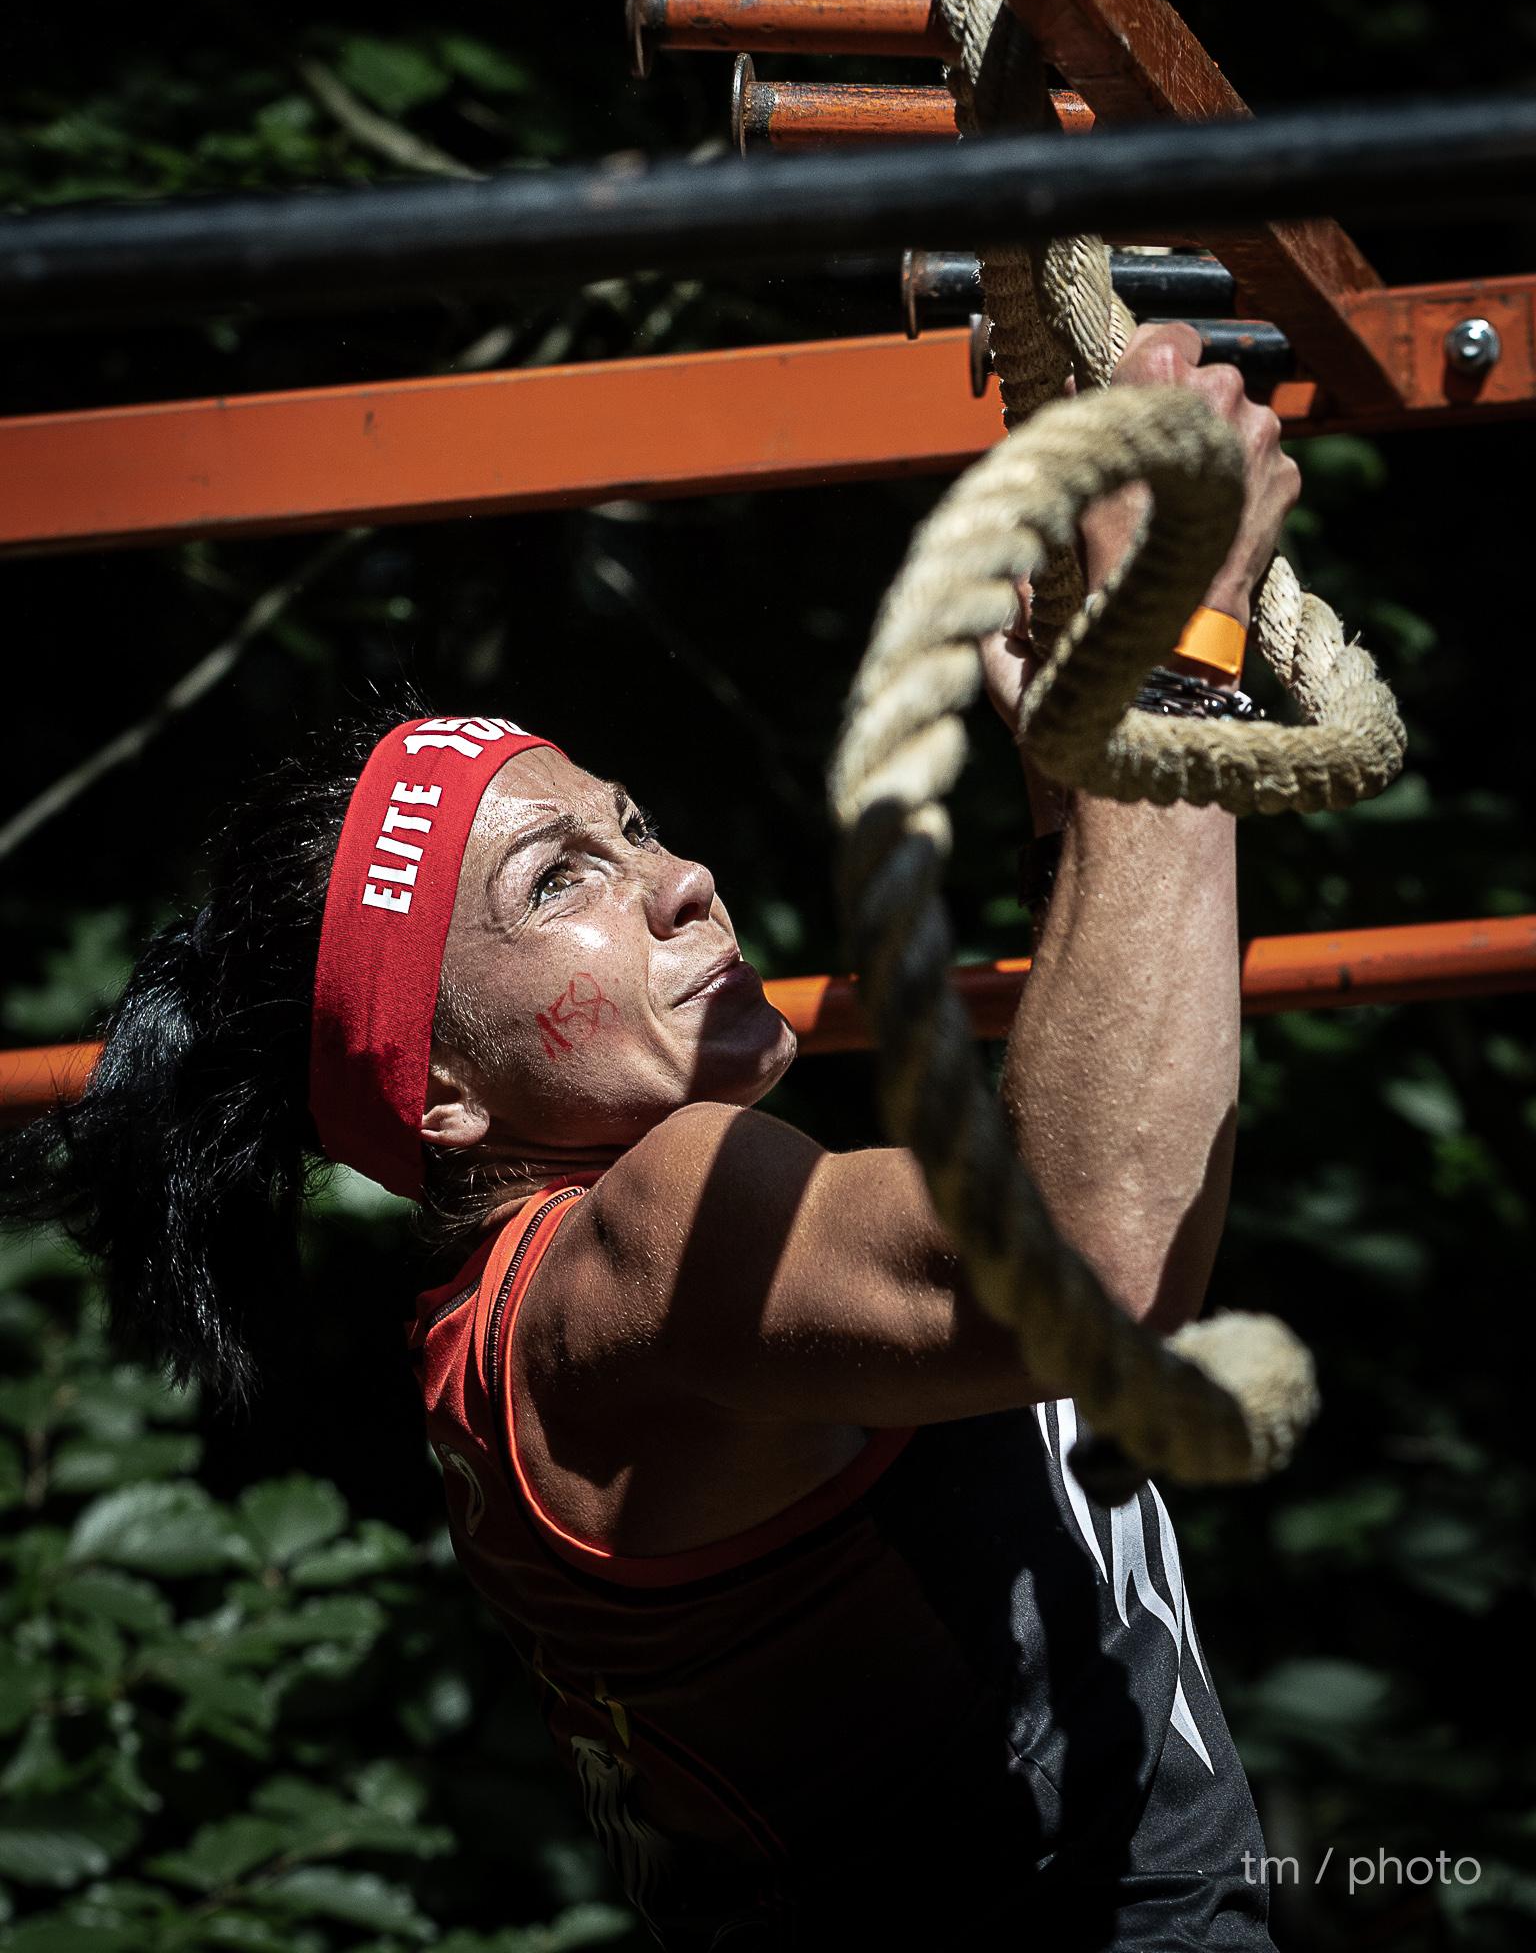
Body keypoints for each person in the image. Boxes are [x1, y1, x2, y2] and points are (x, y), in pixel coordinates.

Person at [3, 323, 1298, 1950]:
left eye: (632, 825)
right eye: (560, 883)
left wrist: (1076, 808)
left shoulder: (512, 1328)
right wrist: (1175, 657)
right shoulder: (647, 1231)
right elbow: (1093, 1261)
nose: (676, 875)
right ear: (446, 1098)